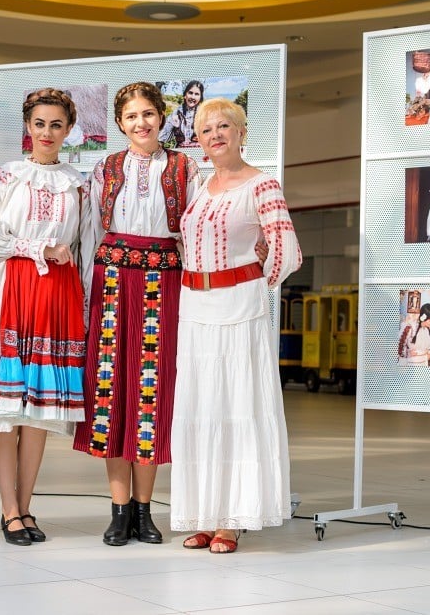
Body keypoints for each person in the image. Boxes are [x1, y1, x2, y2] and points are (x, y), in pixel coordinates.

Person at [170, 97, 302, 554]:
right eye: (206, 131)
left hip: (238, 306)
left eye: (224, 126)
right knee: (202, 406)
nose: (215, 136)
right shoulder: (201, 187)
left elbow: (287, 249)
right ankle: (205, 513)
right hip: (195, 306)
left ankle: (232, 518)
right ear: (199, 141)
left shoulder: (262, 184)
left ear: (242, 133)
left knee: (235, 404)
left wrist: (256, 281)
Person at [73, 81, 199, 546]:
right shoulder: (104, 169)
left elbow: (194, 237)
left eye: (148, 114)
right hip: (110, 285)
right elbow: (89, 236)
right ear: (120, 124)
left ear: (161, 118)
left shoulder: (186, 168)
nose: (140, 123)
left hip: (163, 286)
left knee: (151, 391)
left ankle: (145, 511)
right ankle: (118, 509)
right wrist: (87, 295)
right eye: (131, 117)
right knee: (110, 393)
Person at [0, 89, 86, 546]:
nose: (47, 133)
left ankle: (26, 505)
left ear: (69, 130)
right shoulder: (3, 179)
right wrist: (36, 248)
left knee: (38, 408)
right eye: (40, 124)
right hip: (15, 287)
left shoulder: (80, 183)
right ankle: (9, 510)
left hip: (58, 291)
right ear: (27, 126)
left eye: (56, 125)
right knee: (7, 405)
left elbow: (83, 245)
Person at [158, 80, 204, 147]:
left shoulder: (204, 114)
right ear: (185, 95)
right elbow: (162, 138)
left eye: (197, 94)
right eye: (190, 93)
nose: (193, 97)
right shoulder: (176, 114)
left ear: (200, 98)